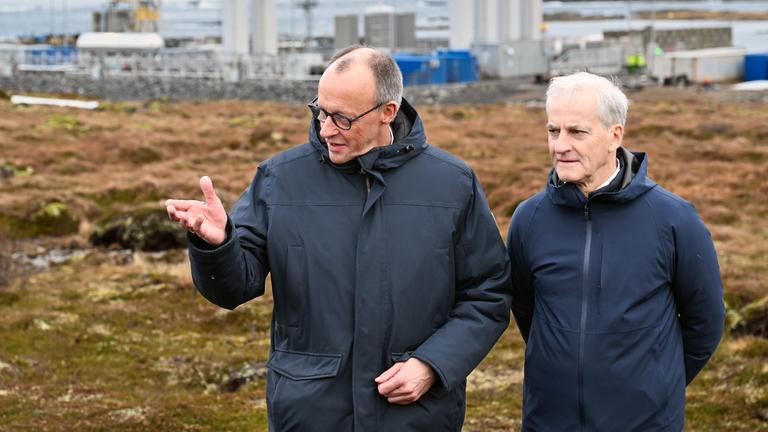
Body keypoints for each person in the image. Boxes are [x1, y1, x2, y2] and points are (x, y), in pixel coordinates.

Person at [165, 45, 511, 431]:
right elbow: (234, 289)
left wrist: (432, 364)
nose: (326, 129)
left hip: (415, 416)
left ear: (387, 112)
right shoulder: (279, 179)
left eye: (342, 119)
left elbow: (487, 294)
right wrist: (218, 245)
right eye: (320, 112)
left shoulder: (453, 184)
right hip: (309, 413)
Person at [506, 72, 725, 431]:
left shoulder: (673, 219)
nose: (560, 145)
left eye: (576, 132)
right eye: (552, 130)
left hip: (645, 421)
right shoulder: (529, 219)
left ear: (615, 136)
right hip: (548, 419)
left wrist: (657, 384)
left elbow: (706, 321)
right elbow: (527, 310)